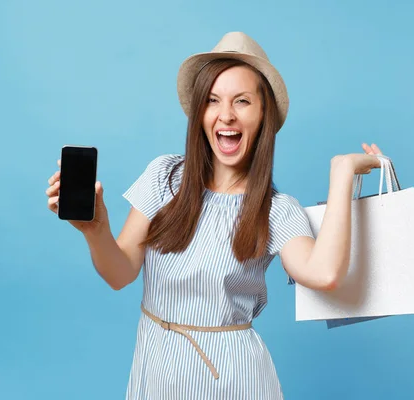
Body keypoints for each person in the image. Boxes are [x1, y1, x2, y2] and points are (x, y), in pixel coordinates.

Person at [46, 31, 384, 399]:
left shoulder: (276, 210)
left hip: (235, 379)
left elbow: (325, 273)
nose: (226, 115)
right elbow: (119, 273)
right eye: (212, 100)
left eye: (242, 101)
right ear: (199, 112)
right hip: (156, 372)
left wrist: (341, 173)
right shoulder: (164, 177)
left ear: (263, 114)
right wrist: (95, 230)